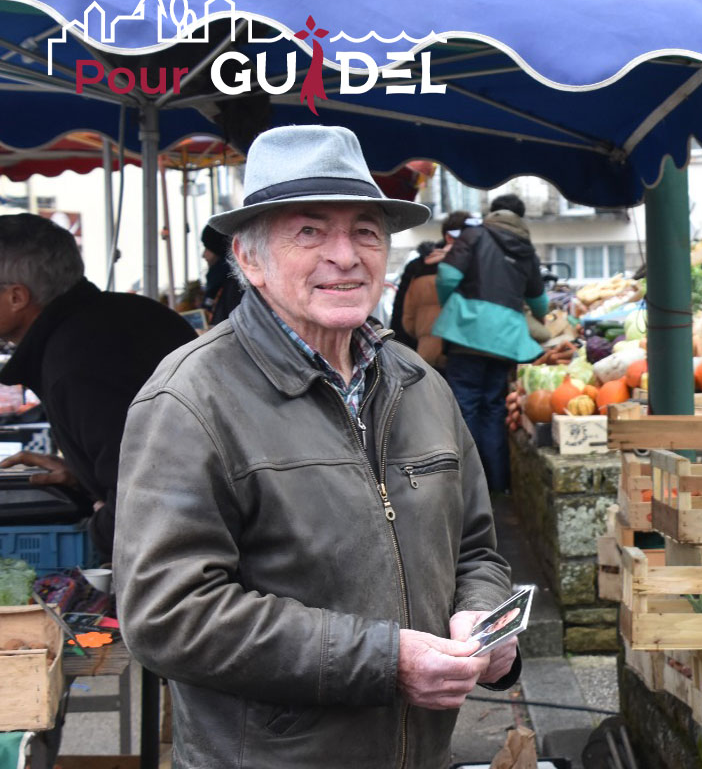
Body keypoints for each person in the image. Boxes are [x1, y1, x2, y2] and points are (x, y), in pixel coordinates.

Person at [114, 125, 520, 768]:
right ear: (249, 260)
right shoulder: (191, 399)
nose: (346, 255)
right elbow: (170, 614)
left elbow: (474, 549)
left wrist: (487, 622)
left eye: (365, 231)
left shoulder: (420, 386)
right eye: (309, 232)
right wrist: (384, 662)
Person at [0, 213, 195, 560]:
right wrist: (83, 477)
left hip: (196, 563)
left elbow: (150, 500)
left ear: (17, 297)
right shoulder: (124, 313)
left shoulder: (77, 361)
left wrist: (99, 529)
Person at [432, 193, 547, 494]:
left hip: (465, 335)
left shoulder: (473, 235)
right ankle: (497, 486)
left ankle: (469, 490)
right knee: (494, 409)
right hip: (505, 341)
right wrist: (540, 318)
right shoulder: (526, 250)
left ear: (493, 212)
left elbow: (446, 275)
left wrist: (452, 306)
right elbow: (539, 301)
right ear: (521, 218)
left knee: (465, 408)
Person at [399, 211, 470, 368]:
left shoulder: (419, 267)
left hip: (427, 353)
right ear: (450, 237)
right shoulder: (477, 266)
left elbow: (405, 317)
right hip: (468, 351)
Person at [200, 225, 243, 324]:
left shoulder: (234, 285)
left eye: (207, 248)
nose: (203, 255)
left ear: (218, 250)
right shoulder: (219, 283)